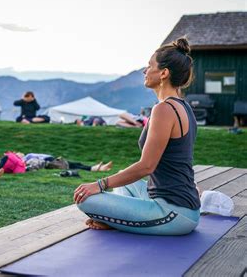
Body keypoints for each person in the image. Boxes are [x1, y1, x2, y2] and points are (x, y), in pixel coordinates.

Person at [74, 37, 201, 236]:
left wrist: (99, 185)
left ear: (164, 73)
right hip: (181, 205)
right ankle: (120, 219)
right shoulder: (182, 105)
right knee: (127, 179)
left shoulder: (164, 109)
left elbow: (146, 166)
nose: (145, 70)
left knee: (87, 199)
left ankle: (118, 220)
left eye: (150, 66)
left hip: (173, 213)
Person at [20, 153, 112, 172]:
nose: (19, 153)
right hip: (51, 161)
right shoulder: (26, 158)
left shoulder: (27, 156)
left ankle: (99, 168)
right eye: (17, 153)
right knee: (76, 165)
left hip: (52, 159)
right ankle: (98, 168)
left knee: (77, 164)